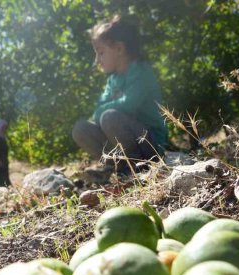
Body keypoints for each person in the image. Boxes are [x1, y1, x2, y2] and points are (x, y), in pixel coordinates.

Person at [72, 15, 168, 174]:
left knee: (109, 117)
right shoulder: (113, 80)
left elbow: (129, 104)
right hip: (123, 139)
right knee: (80, 129)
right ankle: (114, 165)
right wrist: (104, 110)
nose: (97, 60)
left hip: (150, 144)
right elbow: (98, 111)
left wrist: (105, 109)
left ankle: (138, 168)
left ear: (119, 49)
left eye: (101, 53)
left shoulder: (141, 71)